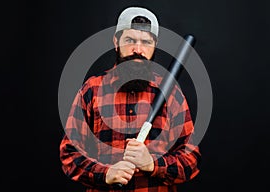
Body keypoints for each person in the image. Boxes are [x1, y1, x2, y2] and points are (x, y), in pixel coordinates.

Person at [59, 6, 201, 192]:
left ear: (154, 47)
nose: (138, 49)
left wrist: (152, 164)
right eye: (130, 40)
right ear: (116, 42)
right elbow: (70, 155)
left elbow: (191, 161)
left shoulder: (171, 94)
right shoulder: (92, 90)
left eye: (146, 42)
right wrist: (105, 174)